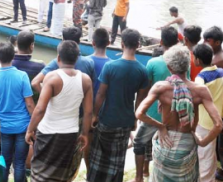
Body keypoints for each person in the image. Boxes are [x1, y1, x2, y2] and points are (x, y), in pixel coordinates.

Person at [136, 45, 223, 181]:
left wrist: (160, 126)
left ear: (170, 68)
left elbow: (139, 113)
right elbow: (218, 124)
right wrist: (202, 142)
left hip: (165, 143)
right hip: (187, 144)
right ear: (188, 65)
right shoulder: (200, 90)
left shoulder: (160, 87)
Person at [25, 40, 93, 181]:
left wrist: (30, 129)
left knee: (39, 170)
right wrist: (85, 133)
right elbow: (88, 112)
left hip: (48, 132)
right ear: (76, 58)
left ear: (58, 58)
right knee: (60, 174)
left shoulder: (52, 77)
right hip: (70, 133)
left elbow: (40, 109)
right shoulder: (85, 80)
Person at [88, 29, 149, 182]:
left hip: (106, 119)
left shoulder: (110, 66)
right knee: (118, 160)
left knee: (99, 158)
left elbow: (101, 94)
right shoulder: (142, 71)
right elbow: (140, 100)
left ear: (122, 44)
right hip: (125, 121)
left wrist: (95, 114)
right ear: (138, 45)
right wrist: (135, 120)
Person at [130, 26, 179, 182]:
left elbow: (144, 91)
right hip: (173, 113)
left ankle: (139, 177)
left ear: (161, 41)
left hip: (153, 114)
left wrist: (138, 112)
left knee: (139, 143)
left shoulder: (153, 62)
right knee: (166, 145)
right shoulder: (184, 61)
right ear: (177, 42)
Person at [0, 42, 35, 182]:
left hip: (5, 127)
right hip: (23, 126)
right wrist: (35, 126)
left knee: (5, 162)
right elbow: (29, 103)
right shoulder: (22, 76)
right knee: (19, 163)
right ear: (13, 55)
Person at [193, 43, 223, 182]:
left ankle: (205, 179)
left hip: (204, 122)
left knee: (204, 155)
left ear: (198, 60)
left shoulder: (200, 78)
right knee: (211, 153)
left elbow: (197, 100)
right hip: (218, 118)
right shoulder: (222, 73)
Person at [13, 30, 45, 101]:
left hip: (14, 102)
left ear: (16, 44)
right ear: (31, 46)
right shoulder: (40, 65)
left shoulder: (8, 62)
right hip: (33, 102)